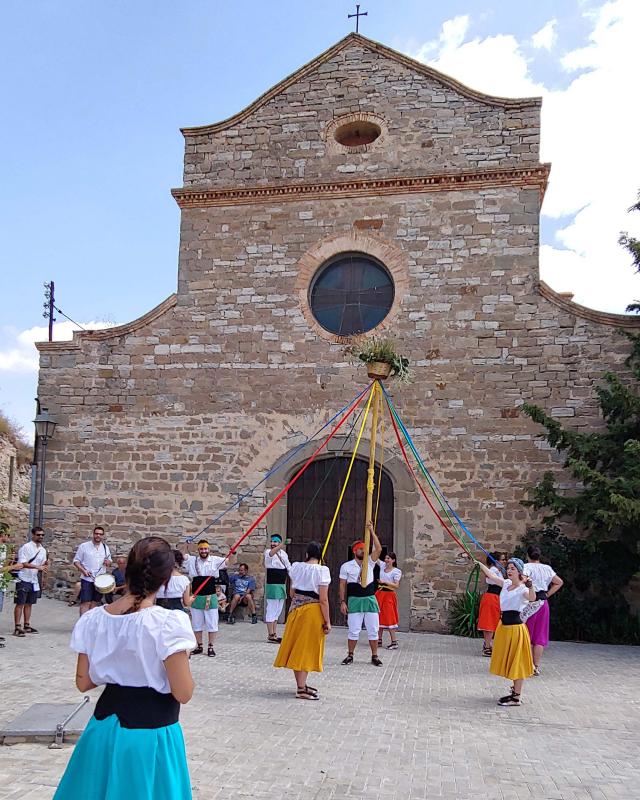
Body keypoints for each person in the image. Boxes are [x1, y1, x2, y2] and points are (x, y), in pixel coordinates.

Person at [52, 536, 196, 800]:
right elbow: (183, 692)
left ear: (126, 570)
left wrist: (116, 664)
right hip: (150, 734)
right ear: (166, 580)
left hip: (103, 727)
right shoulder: (168, 624)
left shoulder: (93, 619)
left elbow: (84, 682)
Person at [274, 541, 331, 700]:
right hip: (312, 612)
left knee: (297, 647)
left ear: (307, 554)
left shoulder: (297, 567)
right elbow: (324, 599)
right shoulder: (322, 571)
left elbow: (292, 592)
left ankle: (301, 684)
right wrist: (327, 621)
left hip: (295, 610)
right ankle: (300, 688)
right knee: (305, 649)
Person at [476, 557, 535, 706]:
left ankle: (516, 697)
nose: (509, 571)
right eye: (508, 568)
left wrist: (530, 585)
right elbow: (493, 576)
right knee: (509, 660)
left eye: (512, 569)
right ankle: (514, 692)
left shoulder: (523, 589)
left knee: (517, 661)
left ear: (519, 572)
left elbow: (532, 597)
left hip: (516, 629)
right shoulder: (507, 584)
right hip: (504, 627)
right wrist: (481, 564)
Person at [339, 522, 383, 666]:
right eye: (360, 549)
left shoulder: (370, 562)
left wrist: (371, 531)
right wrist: (342, 602)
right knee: (353, 630)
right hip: (355, 600)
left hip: (369, 599)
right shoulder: (346, 566)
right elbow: (342, 585)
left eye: (365, 548)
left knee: (373, 630)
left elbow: (379, 549)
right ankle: (350, 655)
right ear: (354, 551)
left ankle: (374, 656)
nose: (364, 551)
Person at [185, 539, 235, 657]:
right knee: (197, 624)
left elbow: (230, 562)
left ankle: (211, 646)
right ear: (198, 550)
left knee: (212, 623)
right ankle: (199, 646)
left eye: (205, 549)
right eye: (201, 549)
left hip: (210, 596)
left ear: (209, 550)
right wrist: (186, 545)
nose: (204, 551)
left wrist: (233, 552)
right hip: (197, 597)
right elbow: (182, 555)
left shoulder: (215, 560)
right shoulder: (193, 560)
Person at [523, 545, 564, 676]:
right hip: (543, 602)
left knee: (526, 634)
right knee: (539, 636)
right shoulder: (547, 568)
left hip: (529, 602)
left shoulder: (526, 567)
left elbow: (521, 582)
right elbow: (559, 582)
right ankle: (536, 666)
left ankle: (526, 664)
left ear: (527, 555)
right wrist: (547, 594)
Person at [14, 527, 48, 637]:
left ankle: (27, 625)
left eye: (42, 535)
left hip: (34, 580)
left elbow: (43, 566)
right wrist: (38, 567)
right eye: (38, 535)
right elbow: (22, 563)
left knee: (29, 603)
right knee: (20, 603)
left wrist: (42, 579)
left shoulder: (43, 550)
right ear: (33, 535)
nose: (40, 537)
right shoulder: (26, 547)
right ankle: (17, 626)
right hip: (23, 577)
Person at [73, 526, 113, 616]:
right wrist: (83, 571)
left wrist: (108, 562)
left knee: (95, 603)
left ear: (103, 536)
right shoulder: (84, 546)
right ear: (93, 534)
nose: (98, 536)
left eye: (100, 534)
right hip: (87, 579)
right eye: (96, 533)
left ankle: (90, 625)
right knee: (85, 602)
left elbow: (109, 561)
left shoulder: (105, 548)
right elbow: (76, 561)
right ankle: (82, 625)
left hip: (100, 581)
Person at [477, 552, 508, 656]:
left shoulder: (498, 571)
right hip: (492, 597)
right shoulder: (493, 570)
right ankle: (487, 646)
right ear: (496, 561)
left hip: (496, 597)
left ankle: (488, 645)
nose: (505, 561)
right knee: (489, 623)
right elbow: (496, 580)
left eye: (505, 559)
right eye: (502, 559)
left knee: (491, 622)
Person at [264, 534, 291, 643]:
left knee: (277, 610)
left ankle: (274, 633)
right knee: (271, 608)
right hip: (273, 584)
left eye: (275, 542)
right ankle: (270, 634)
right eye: (272, 541)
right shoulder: (268, 552)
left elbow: (289, 567)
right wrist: (281, 545)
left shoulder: (283, 554)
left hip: (281, 585)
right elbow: (271, 553)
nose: (273, 543)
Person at [375, 551, 402, 649]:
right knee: (378, 615)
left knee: (390, 616)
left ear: (393, 560)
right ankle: (379, 639)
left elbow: (396, 585)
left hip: (389, 595)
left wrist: (385, 582)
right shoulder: (382, 566)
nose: (386, 560)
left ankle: (394, 641)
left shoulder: (396, 571)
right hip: (380, 594)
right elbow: (375, 557)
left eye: (388, 559)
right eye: (386, 558)